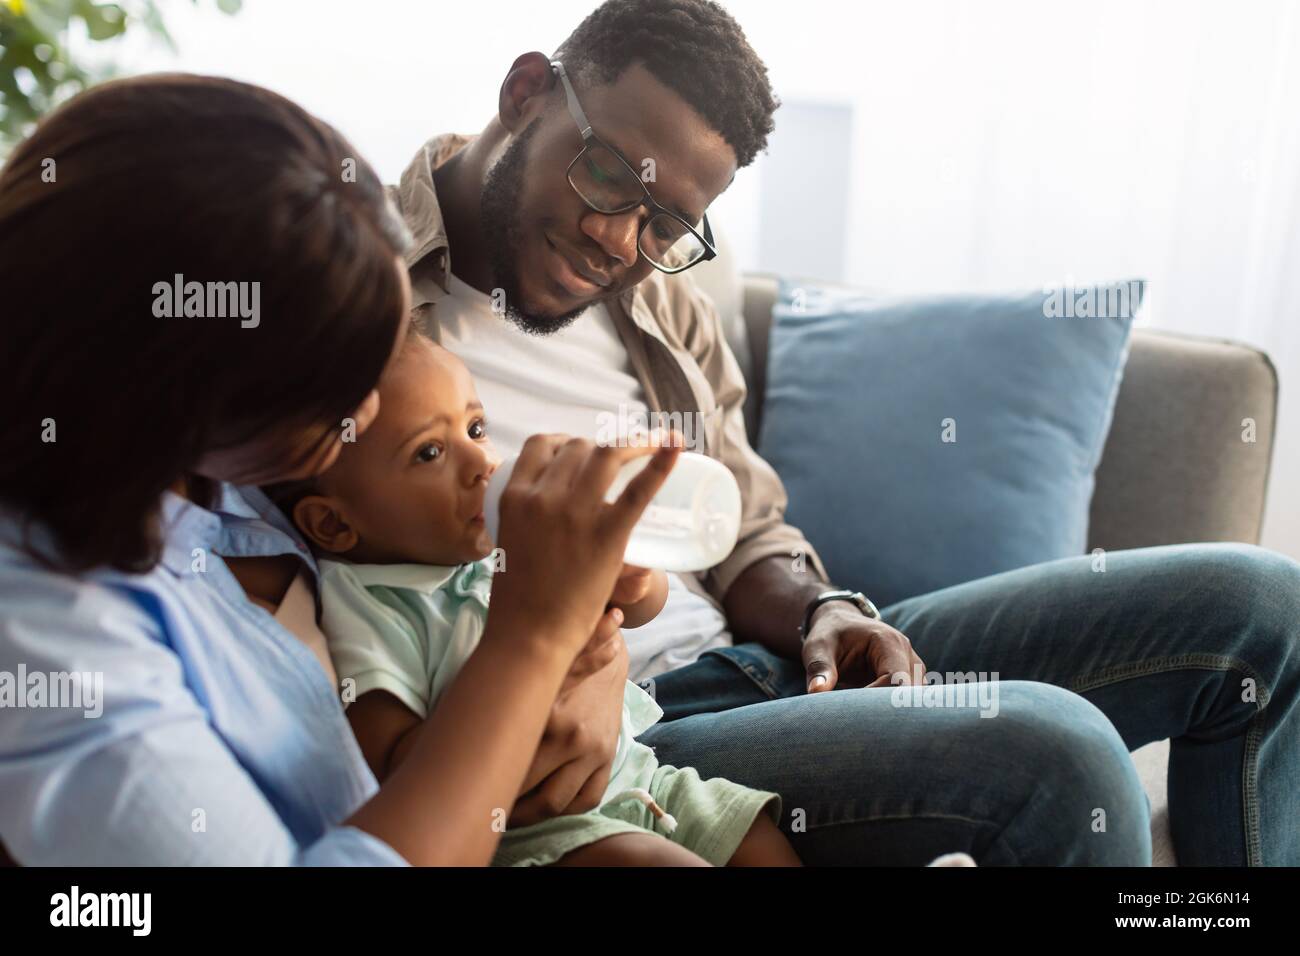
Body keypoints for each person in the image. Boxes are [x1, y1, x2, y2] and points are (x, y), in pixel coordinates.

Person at [384, 0, 1300, 865]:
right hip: (635, 729)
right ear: (524, 93)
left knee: (1261, 607)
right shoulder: (363, 313)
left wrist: (827, 609)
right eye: (612, 176)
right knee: (1059, 757)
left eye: (667, 224)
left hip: (765, 669)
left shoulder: (660, 303)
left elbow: (742, 531)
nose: (620, 242)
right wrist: (559, 672)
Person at [0, 73, 675, 866]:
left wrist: (589, 658)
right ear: (179, 396)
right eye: (336, 397)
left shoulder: (214, 475)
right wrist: (533, 641)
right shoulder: (52, 638)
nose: (368, 416)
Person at [269, 332, 799, 865]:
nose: (481, 461)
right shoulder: (368, 606)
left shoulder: (509, 538)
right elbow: (394, 768)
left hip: (642, 777)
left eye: (476, 428)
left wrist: (633, 580)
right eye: (429, 452)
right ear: (334, 523)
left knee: (758, 839)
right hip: (533, 831)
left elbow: (638, 608)